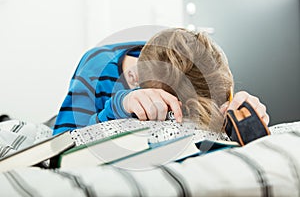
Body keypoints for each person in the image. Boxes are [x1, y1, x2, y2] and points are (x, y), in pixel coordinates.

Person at [53, 28, 269, 135]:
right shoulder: (95, 69)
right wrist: (117, 106)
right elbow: (60, 141)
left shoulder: (200, 67)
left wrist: (243, 113)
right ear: (135, 82)